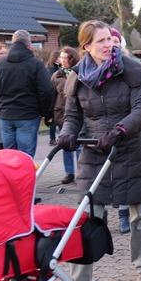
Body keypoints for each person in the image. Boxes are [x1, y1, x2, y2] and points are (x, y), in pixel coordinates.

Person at [57, 20, 141, 281]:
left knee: (139, 216)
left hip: (130, 150)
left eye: (110, 39)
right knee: (86, 219)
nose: (108, 45)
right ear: (86, 46)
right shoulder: (77, 77)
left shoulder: (132, 70)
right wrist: (67, 133)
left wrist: (119, 130)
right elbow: (72, 115)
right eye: (100, 41)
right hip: (94, 153)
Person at [0, 30, 53, 157]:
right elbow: (46, 91)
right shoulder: (35, 64)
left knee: (9, 157)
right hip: (28, 114)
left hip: (6, 115)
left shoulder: (0, 64)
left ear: (12, 42)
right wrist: (45, 112)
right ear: (29, 44)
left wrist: (1, 107)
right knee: (25, 156)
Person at [109, 27, 132, 233]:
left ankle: (124, 216)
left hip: (124, 129)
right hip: (100, 131)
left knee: (123, 176)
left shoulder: (130, 68)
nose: (111, 45)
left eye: (115, 41)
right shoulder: (92, 71)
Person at [51, 47, 81, 184]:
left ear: (72, 58)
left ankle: (81, 172)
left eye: (65, 57)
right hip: (62, 113)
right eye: (61, 57)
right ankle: (69, 172)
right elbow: (51, 95)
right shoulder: (56, 76)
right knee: (65, 143)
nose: (62, 60)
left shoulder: (80, 72)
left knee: (80, 144)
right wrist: (50, 114)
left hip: (78, 114)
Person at [46, 51, 61, 146]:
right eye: (59, 57)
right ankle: (52, 139)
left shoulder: (56, 67)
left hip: (55, 97)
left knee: (55, 120)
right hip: (53, 97)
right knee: (54, 120)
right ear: (55, 58)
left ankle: (54, 138)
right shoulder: (52, 69)